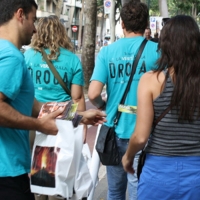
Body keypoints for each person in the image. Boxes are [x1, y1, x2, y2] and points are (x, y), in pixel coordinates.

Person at [0, 1, 106, 199]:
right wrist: (39, 125)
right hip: (8, 172)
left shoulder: (22, 56)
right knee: (56, 185)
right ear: (20, 15)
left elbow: (37, 107)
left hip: (16, 160)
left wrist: (80, 117)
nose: (34, 29)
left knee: (42, 186)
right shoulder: (13, 57)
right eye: (33, 20)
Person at [122, 15, 200, 200]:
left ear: (165, 44)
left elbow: (141, 137)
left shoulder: (150, 80)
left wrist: (127, 157)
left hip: (158, 174)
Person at [88, 1, 159, 199]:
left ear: (122, 24)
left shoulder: (108, 52)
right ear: (146, 24)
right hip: (145, 133)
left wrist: (106, 108)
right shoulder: (158, 51)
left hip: (114, 129)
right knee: (139, 189)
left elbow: (93, 94)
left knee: (115, 191)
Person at [24, 15, 87, 200]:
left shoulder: (27, 56)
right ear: (61, 33)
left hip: (34, 121)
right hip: (62, 123)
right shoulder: (72, 60)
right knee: (59, 173)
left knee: (35, 171)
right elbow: (77, 97)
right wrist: (82, 126)